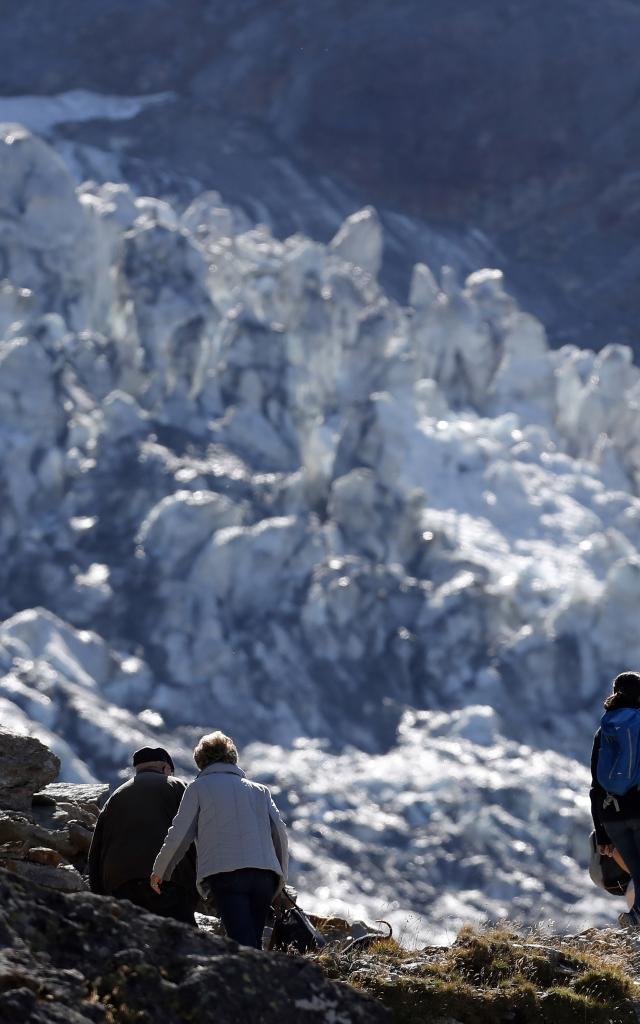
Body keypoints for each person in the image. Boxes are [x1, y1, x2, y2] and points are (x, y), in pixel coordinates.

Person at [150, 731, 288, 949]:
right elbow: (279, 833)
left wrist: (161, 871)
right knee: (254, 940)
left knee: (241, 943)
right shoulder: (260, 791)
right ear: (232, 757)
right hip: (263, 876)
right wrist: (280, 878)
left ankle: (249, 979)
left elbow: (179, 833)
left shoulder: (198, 788)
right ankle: (261, 978)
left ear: (200, 761)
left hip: (226, 874)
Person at [88, 745, 197, 924]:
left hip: (121, 883)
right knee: (181, 942)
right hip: (171, 880)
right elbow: (197, 833)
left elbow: (96, 850)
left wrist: (99, 893)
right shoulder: (179, 787)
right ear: (165, 767)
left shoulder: (116, 796)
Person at [590, 671, 640, 928]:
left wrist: (602, 834)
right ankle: (635, 917)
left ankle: (634, 917)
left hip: (612, 815)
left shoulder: (605, 728)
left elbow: (595, 786)